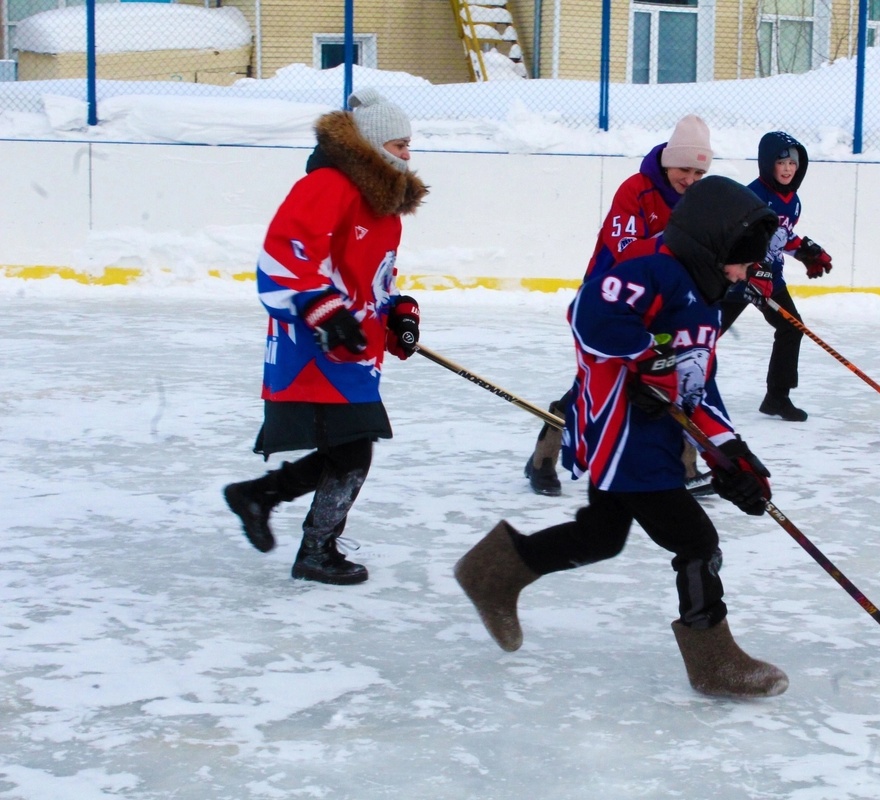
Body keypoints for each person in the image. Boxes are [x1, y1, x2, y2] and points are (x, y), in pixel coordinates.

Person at [455, 175, 789, 699]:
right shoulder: (649, 267)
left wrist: (733, 456)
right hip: (624, 436)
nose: (747, 273)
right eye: (742, 260)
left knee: (600, 536)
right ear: (712, 245)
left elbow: (697, 387)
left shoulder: (705, 298)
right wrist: (645, 353)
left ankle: (493, 573)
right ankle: (712, 660)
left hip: (652, 438)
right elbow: (588, 315)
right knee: (696, 541)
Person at [222, 88, 429, 585]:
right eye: (399, 144)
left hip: (352, 349)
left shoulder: (383, 205)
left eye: (408, 146)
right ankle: (314, 548)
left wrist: (400, 312)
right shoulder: (330, 185)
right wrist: (323, 310)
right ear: (373, 145)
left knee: (349, 449)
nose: (408, 154)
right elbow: (280, 259)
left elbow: (377, 279)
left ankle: (261, 497)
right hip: (316, 348)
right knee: (355, 448)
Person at [525, 114, 713, 497]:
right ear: (667, 161)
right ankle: (542, 458)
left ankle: (685, 467)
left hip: (662, 305)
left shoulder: (699, 200)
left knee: (681, 377)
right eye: (683, 169)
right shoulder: (636, 190)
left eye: (698, 172)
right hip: (610, 304)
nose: (690, 180)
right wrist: (678, 243)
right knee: (595, 385)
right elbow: (627, 254)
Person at [720, 131, 833, 422]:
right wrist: (749, 270)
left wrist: (805, 251)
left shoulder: (793, 201)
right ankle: (672, 386)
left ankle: (777, 397)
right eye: (781, 162)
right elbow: (731, 238)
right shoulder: (751, 196)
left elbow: (780, 236)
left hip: (770, 278)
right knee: (706, 332)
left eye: (792, 164)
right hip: (737, 278)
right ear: (768, 163)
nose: (787, 169)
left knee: (791, 328)